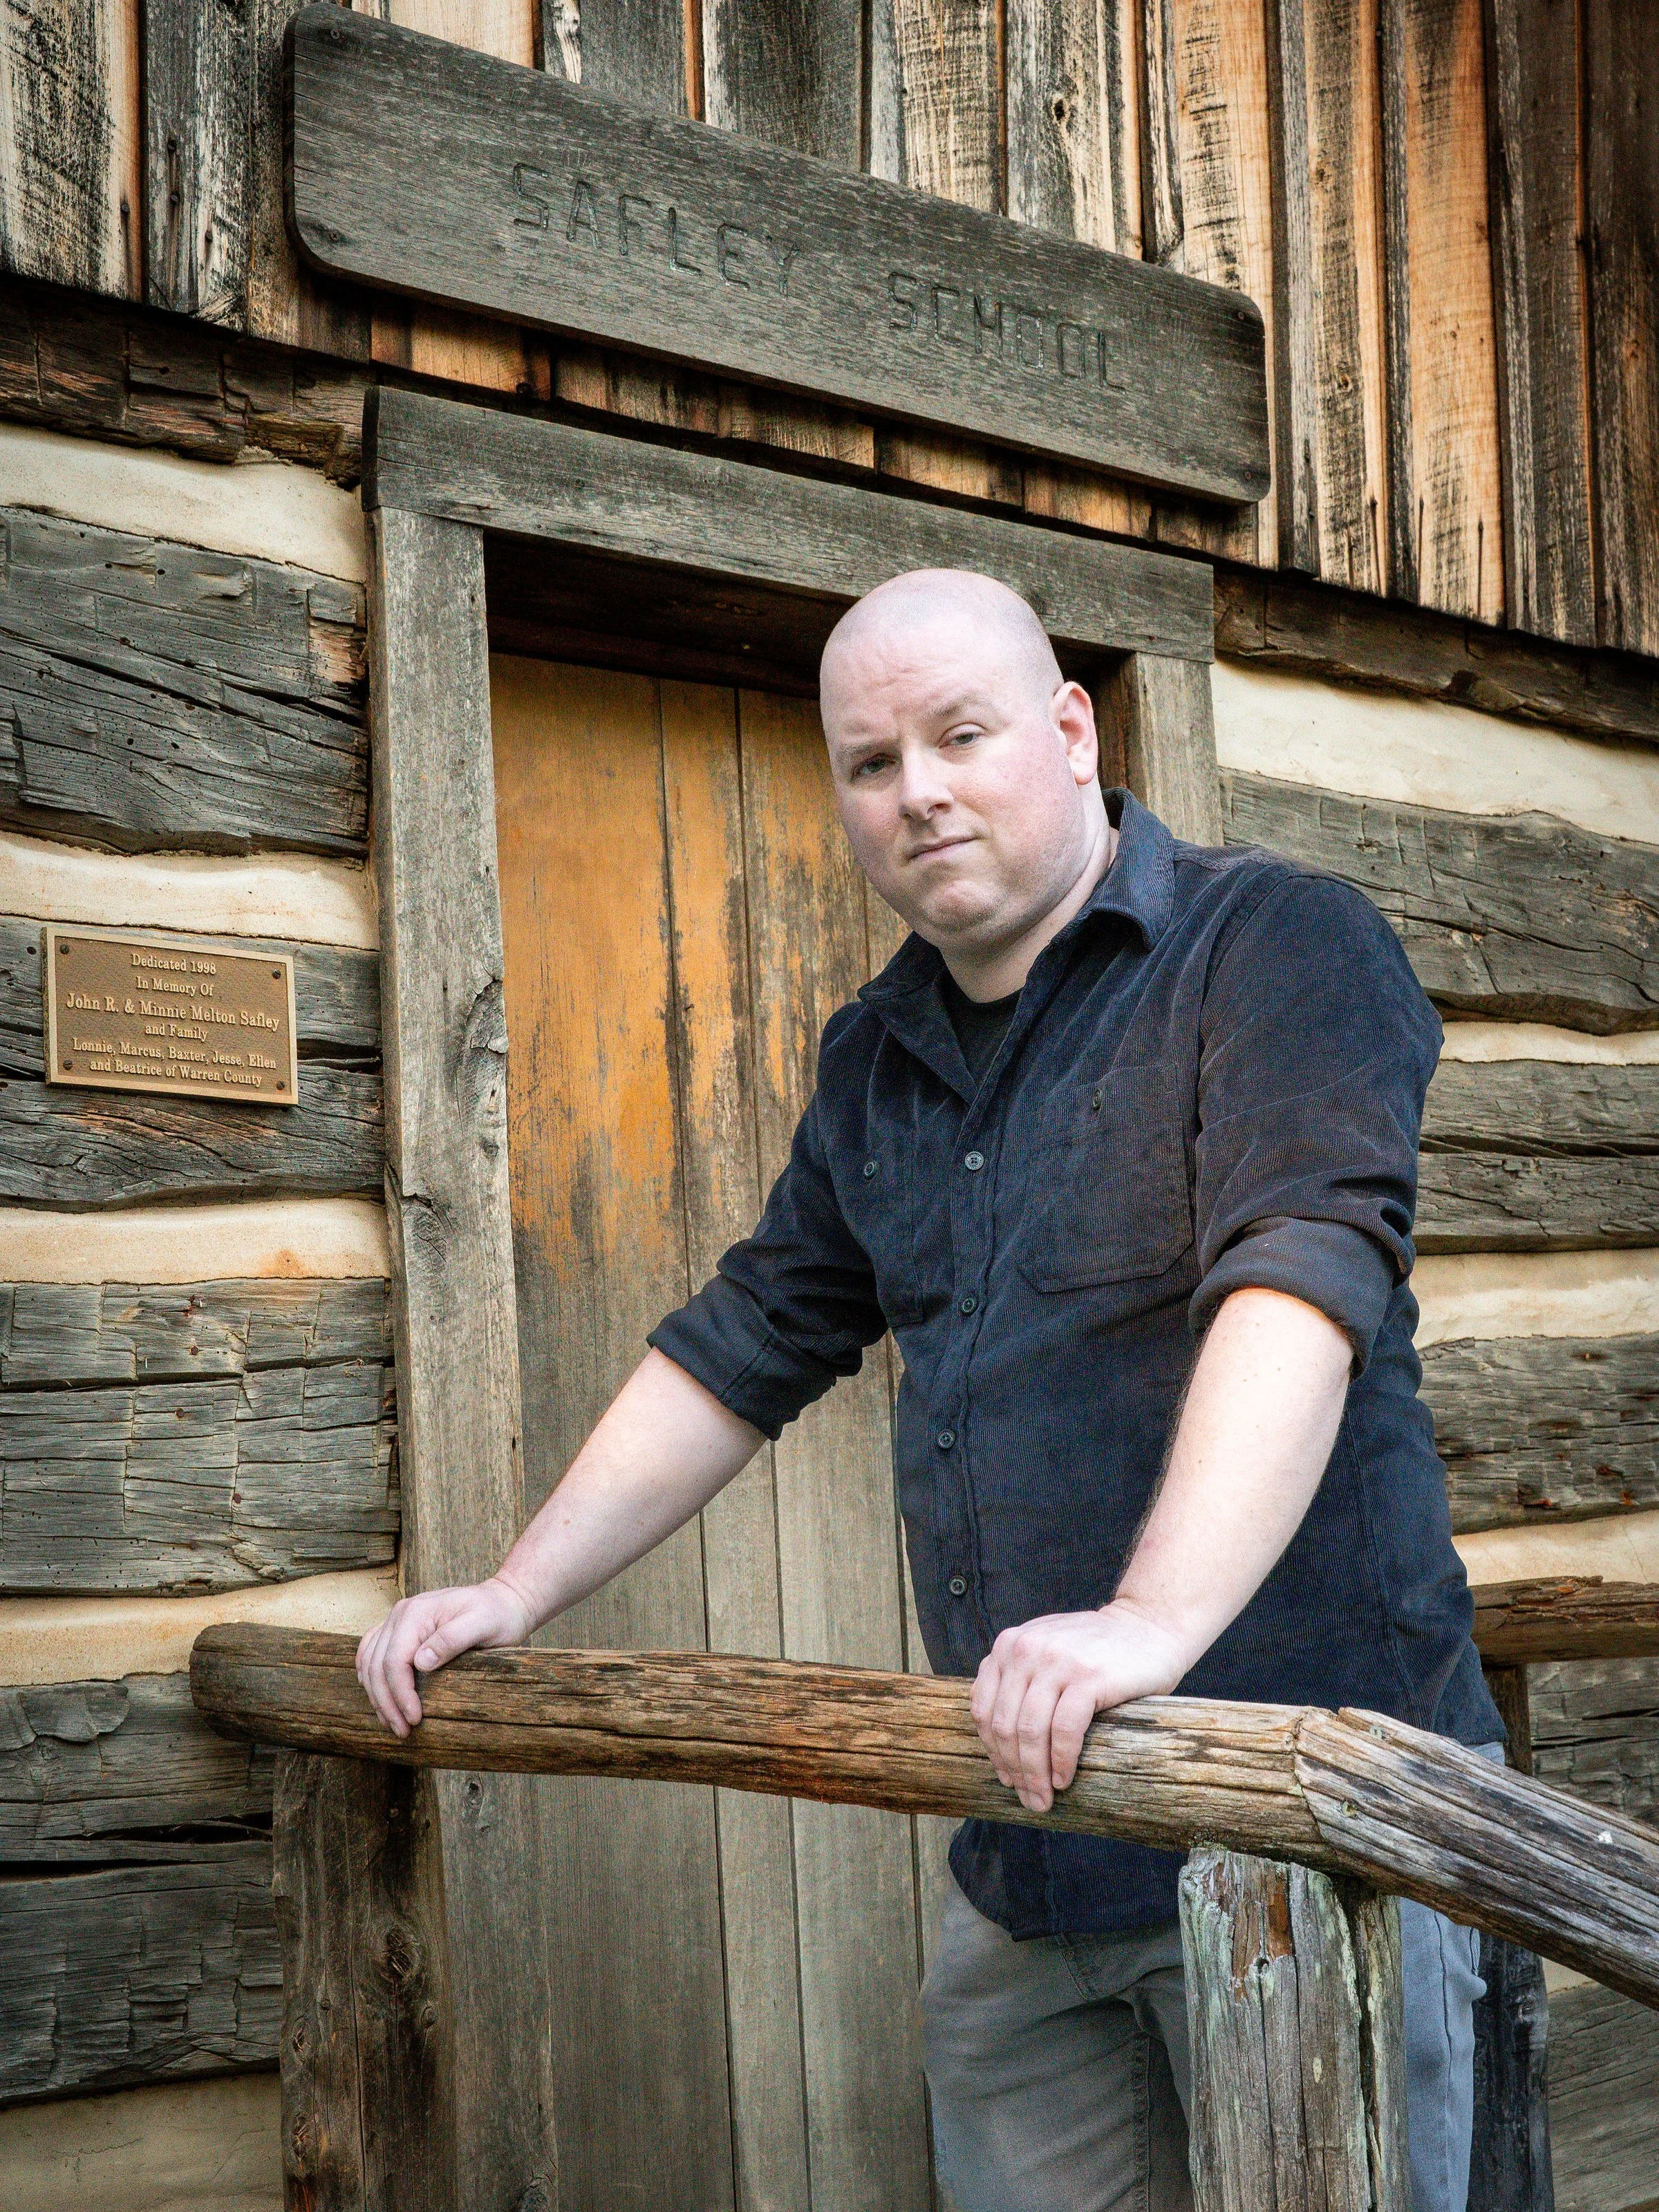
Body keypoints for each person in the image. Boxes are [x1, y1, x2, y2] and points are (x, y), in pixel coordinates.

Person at [357, 568, 1502, 2212]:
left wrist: (1146, 1625)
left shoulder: (1275, 943)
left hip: (1312, 1837)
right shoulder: (875, 1055)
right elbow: (749, 1337)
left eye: (962, 736)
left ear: (1071, 729)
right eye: (872, 762)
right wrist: (515, 1590)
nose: (919, 792)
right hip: (1032, 1851)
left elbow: (1300, 1282)